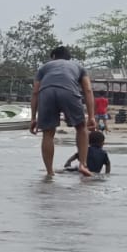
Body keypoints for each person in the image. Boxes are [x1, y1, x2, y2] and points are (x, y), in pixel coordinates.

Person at [29, 45, 96, 177]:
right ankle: (82, 164)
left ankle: (49, 172)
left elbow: (35, 92)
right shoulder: (78, 67)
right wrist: (92, 116)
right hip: (69, 92)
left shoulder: (44, 67)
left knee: (48, 134)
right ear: (69, 58)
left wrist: (33, 118)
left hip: (46, 93)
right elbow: (88, 90)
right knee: (81, 127)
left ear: (53, 57)